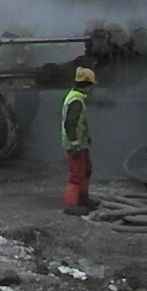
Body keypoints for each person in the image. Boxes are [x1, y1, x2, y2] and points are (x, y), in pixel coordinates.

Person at [60, 65, 96, 214]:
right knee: (77, 174)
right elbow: (71, 123)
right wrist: (74, 143)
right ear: (87, 85)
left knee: (86, 170)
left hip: (81, 142)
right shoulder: (76, 101)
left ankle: (83, 198)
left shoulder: (77, 98)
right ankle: (71, 204)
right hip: (75, 144)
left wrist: (86, 137)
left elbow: (80, 123)